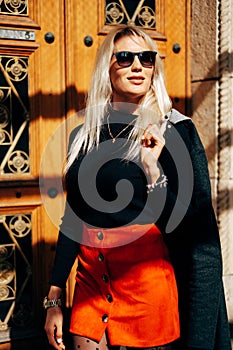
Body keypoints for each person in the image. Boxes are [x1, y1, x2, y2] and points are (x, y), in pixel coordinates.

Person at [44, 26, 231, 350]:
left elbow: (192, 229)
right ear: (107, 67)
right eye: (126, 57)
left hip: (147, 294)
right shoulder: (84, 136)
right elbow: (74, 219)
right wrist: (54, 297)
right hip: (90, 289)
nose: (137, 66)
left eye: (146, 58)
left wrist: (151, 168)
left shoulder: (172, 132)